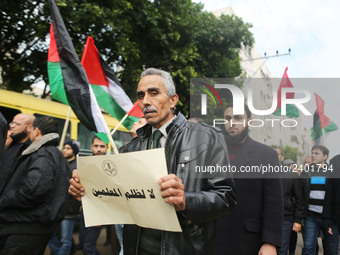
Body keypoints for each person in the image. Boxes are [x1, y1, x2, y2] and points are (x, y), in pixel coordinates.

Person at [69, 67, 237, 255]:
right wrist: (89, 194)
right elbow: (122, 199)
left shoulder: (207, 138)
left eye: (154, 93)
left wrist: (186, 201)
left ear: (173, 100)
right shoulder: (130, 149)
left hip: (184, 249)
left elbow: (226, 198)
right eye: (141, 96)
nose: (145, 101)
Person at [215, 103, 283, 255]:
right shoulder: (212, 152)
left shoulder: (266, 155)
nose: (232, 123)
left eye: (238, 118)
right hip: (213, 239)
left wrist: (270, 242)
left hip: (248, 241)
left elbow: (274, 202)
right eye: (227, 118)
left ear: (249, 121)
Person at [0, 116, 70, 255]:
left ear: (36, 131)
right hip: (31, 225)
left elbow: (33, 190)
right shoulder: (51, 153)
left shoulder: (43, 154)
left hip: (27, 227)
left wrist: (4, 199)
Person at [302, 145, 339, 255]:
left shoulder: (332, 171)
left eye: (316, 153)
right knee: (308, 247)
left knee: (331, 248)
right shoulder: (306, 172)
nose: (313, 155)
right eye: (312, 153)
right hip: (311, 216)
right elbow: (301, 193)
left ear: (325, 156)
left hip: (329, 218)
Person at [48, 139, 81, 255]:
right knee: (50, 234)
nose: (64, 150)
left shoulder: (78, 166)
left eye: (68, 148)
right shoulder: (59, 163)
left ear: (74, 151)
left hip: (69, 208)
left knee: (66, 240)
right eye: (64, 148)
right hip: (57, 206)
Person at [78, 136, 108, 255]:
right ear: (91, 147)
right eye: (96, 146)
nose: (99, 149)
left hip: (98, 210)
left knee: (88, 247)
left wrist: (100, 216)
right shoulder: (85, 163)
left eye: (102, 146)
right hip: (85, 209)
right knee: (82, 243)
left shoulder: (110, 166)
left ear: (107, 148)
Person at [277, 159, 305, 255]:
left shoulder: (292, 175)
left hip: (287, 217)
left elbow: (299, 198)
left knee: (282, 248)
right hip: (268, 216)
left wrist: (298, 220)